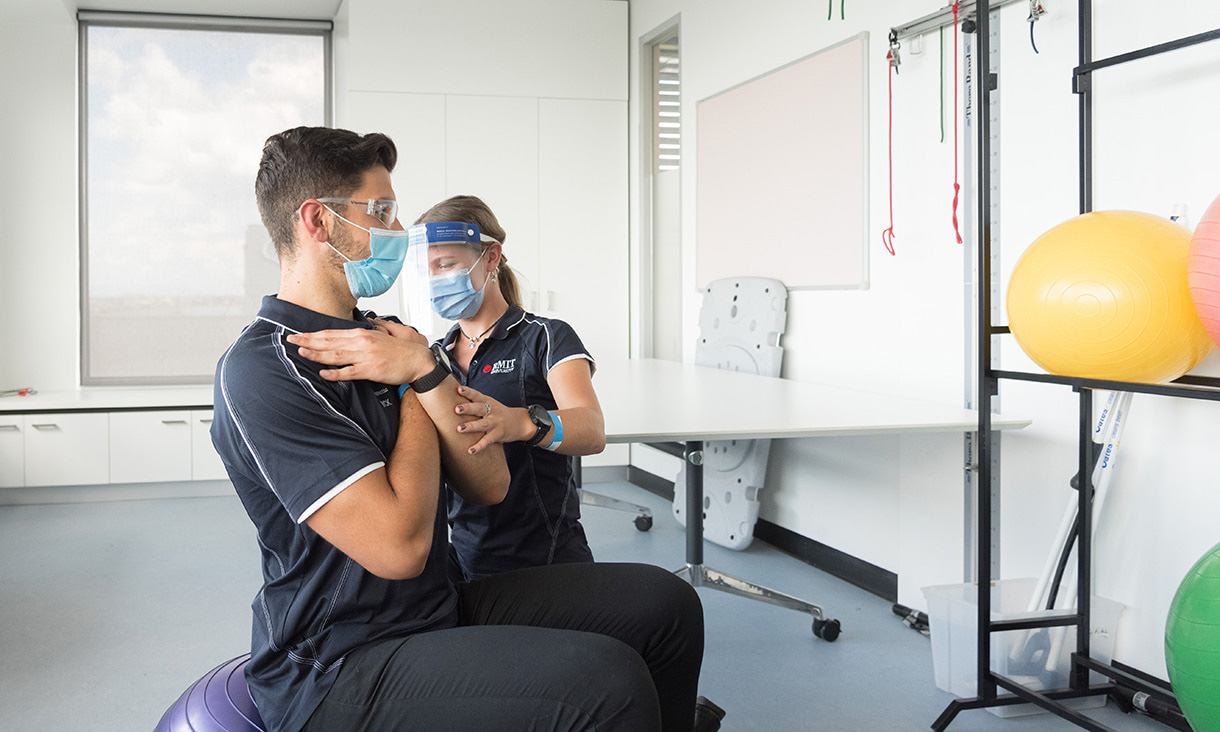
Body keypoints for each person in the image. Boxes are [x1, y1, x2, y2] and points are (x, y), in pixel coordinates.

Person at [210, 126, 707, 732]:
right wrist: (421, 380)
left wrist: (419, 368)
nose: (396, 232)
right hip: (340, 661)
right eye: (383, 212)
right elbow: (400, 547)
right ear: (317, 221)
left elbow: (490, 482)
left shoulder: (395, 339)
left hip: (435, 607)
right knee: (606, 684)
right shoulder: (267, 369)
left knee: (667, 605)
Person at [408, 195, 601, 582]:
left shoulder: (545, 338)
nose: (437, 280)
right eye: (428, 271)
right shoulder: (434, 360)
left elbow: (592, 430)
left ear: (491, 258)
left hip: (546, 562)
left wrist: (522, 423)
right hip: (465, 560)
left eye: (446, 265)